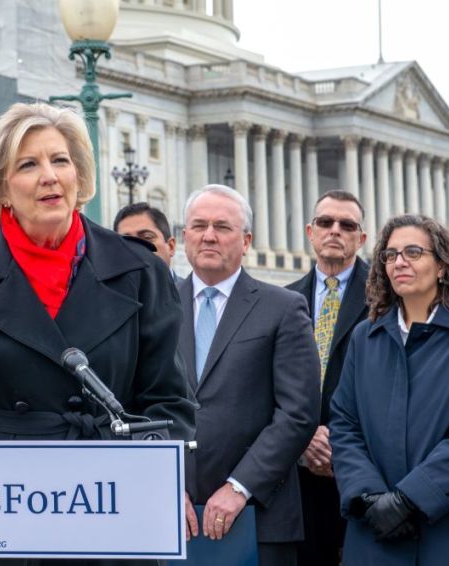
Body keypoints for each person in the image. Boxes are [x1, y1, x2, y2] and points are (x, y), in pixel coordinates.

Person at [0, 102, 195, 563]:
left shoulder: (140, 270)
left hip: (109, 499)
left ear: (79, 175)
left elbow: (168, 399)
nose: (49, 176)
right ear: (2, 187)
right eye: (28, 164)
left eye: (60, 160)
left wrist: (148, 486)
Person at [177, 185, 320, 566]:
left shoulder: (284, 308)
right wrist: (164, 486)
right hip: (173, 516)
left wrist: (240, 487)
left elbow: (298, 413)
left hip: (259, 516)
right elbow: (137, 404)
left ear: (246, 240)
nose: (209, 235)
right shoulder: (156, 308)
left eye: (222, 227)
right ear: (183, 236)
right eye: (199, 225)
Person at [330, 214, 449, 565]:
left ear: (442, 266)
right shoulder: (365, 338)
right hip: (375, 530)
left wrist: (410, 499)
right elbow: (344, 424)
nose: (399, 262)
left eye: (413, 252)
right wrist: (369, 498)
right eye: (390, 254)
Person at [285, 190, 369, 566]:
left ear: (361, 238)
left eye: (347, 225)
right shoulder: (283, 299)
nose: (335, 230)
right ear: (310, 231)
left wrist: (344, 443)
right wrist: (304, 437)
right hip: (298, 469)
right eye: (325, 222)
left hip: (366, 466)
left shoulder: (387, 295)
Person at [112, 202, 179, 281]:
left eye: (147, 237)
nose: (135, 248)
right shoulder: (110, 292)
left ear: (171, 246)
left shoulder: (190, 292)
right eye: (126, 241)